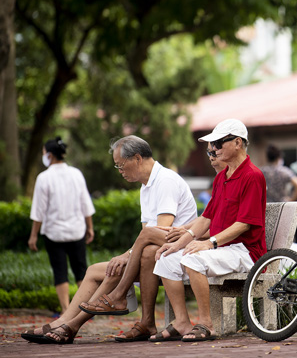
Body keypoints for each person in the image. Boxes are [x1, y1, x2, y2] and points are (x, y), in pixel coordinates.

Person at [23, 135, 198, 344]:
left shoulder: (166, 181)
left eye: (121, 165)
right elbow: (147, 236)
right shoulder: (146, 186)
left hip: (175, 253)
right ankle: (62, 322)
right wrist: (129, 255)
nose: (120, 171)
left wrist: (128, 254)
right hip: (153, 254)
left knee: (122, 262)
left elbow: (161, 232)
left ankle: (75, 324)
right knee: (96, 270)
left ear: (137, 159)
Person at [124, 118, 266, 343]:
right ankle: (181, 321)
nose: (213, 149)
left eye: (218, 144)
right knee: (166, 258)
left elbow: (244, 224)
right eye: (212, 145)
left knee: (194, 260)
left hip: (245, 251)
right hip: (223, 249)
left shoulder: (252, 175)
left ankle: (206, 324)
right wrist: (178, 243)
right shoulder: (222, 176)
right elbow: (206, 218)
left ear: (238, 143)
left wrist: (210, 243)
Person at [28, 136, 95, 314]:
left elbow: (38, 210)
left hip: (53, 233)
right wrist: (90, 227)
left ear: (49, 155)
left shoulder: (44, 178)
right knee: (81, 270)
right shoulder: (76, 174)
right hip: (76, 230)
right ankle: (85, 310)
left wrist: (33, 235)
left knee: (60, 271)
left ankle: (66, 311)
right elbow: (85, 204)